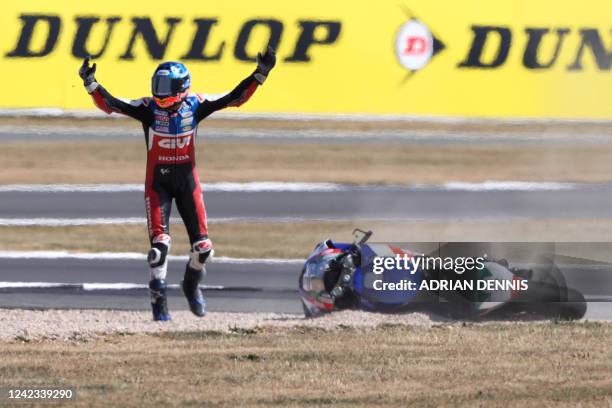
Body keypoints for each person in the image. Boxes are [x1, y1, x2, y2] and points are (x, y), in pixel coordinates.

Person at [78, 48, 276, 321]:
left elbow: (235, 97)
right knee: (159, 248)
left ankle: (191, 284)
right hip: (157, 186)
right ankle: (159, 307)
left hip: (187, 183)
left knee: (204, 248)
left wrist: (261, 73)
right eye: (157, 85)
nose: (160, 92)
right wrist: (91, 84)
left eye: (166, 87)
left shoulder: (197, 105)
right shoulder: (147, 109)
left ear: (182, 88)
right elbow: (112, 104)